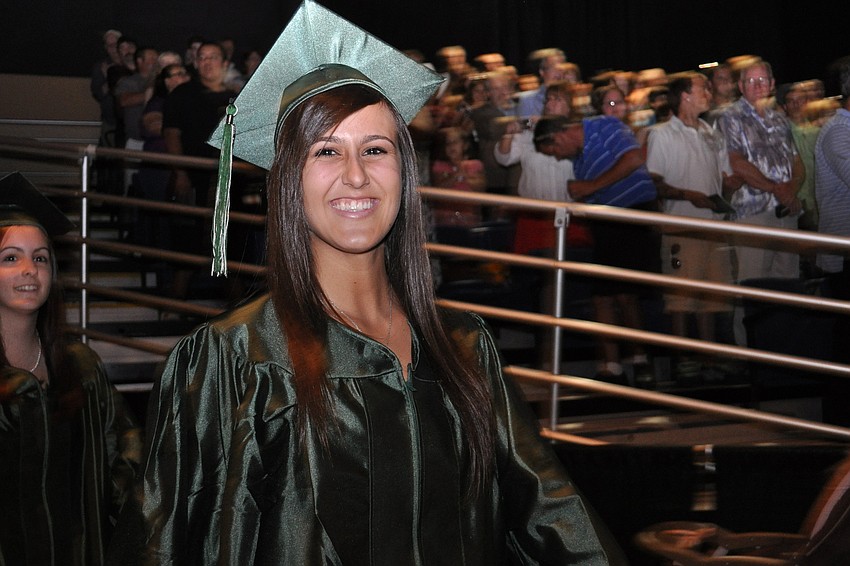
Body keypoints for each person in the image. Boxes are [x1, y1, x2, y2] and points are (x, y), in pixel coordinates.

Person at [107, 2, 614, 564]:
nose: (356, 174)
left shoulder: (464, 347)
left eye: (376, 149)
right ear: (287, 179)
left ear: (405, 171)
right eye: (326, 151)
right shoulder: (232, 359)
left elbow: (550, 514)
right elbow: (166, 543)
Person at [0, 172, 142, 565]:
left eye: (40, 257)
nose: (29, 269)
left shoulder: (81, 367)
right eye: (10, 257)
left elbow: (124, 457)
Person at [534, 114, 658, 387]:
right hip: (609, 224)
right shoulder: (578, 159)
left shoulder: (605, 126)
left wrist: (591, 186)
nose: (556, 157)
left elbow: (634, 159)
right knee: (615, 294)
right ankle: (627, 363)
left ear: (559, 136)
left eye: (553, 150)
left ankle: (625, 364)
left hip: (631, 216)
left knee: (617, 294)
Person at [645, 72, 737, 382]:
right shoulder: (662, 134)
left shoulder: (711, 132)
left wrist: (737, 186)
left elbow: (725, 178)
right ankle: (682, 359)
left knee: (712, 295)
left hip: (713, 225)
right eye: (703, 89)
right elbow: (654, 182)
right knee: (681, 297)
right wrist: (688, 196)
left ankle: (708, 358)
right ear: (684, 95)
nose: (709, 93)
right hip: (682, 226)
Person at [717, 57, 804, 345]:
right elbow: (736, 162)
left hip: (785, 212)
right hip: (752, 212)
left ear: (772, 84)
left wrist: (790, 189)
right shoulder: (730, 118)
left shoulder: (779, 117)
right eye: (751, 81)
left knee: (787, 284)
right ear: (741, 87)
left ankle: (783, 348)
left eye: (762, 80)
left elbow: (797, 160)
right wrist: (774, 188)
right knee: (753, 285)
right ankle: (750, 352)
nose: (757, 86)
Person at [430, 126, 486, 227]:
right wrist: (456, 175)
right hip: (445, 220)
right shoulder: (440, 166)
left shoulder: (475, 165)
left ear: (465, 145)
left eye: (455, 142)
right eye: (448, 143)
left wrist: (462, 171)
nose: (451, 146)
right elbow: (439, 187)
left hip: (469, 218)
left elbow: (480, 188)